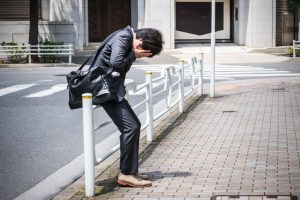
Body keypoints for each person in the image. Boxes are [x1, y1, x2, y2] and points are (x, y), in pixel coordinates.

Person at [94, 26, 163, 187]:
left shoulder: (125, 36)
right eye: (142, 50)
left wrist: (133, 54)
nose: (139, 52)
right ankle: (126, 174)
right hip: (104, 90)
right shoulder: (124, 37)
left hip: (111, 90)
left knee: (135, 125)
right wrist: (133, 55)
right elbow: (115, 62)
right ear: (140, 41)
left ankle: (131, 171)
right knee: (130, 127)